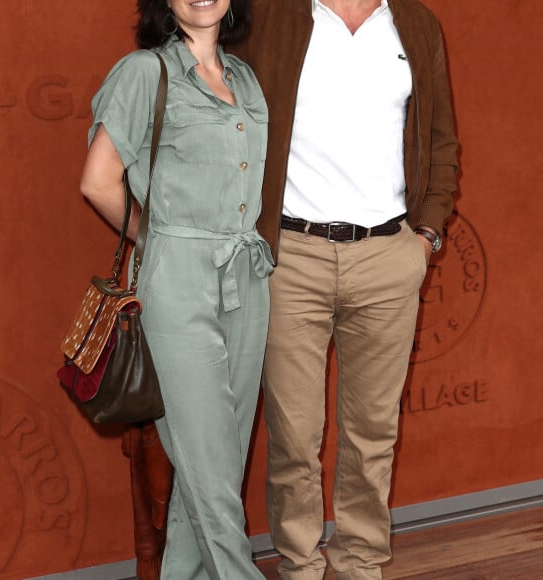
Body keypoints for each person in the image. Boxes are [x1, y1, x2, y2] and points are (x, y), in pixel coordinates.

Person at [232, 0, 459, 578]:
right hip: (292, 258)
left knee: (373, 437)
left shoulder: (416, 24)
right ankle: (301, 568)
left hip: (388, 257)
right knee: (293, 440)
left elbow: (442, 142)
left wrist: (425, 236)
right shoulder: (270, 16)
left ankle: (361, 565)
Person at [79, 1, 272, 578]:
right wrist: (153, 237)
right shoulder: (145, 72)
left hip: (246, 276)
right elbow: (97, 180)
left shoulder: (245, 78)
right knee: (212, 480)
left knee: (208, 478)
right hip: (179, 279)